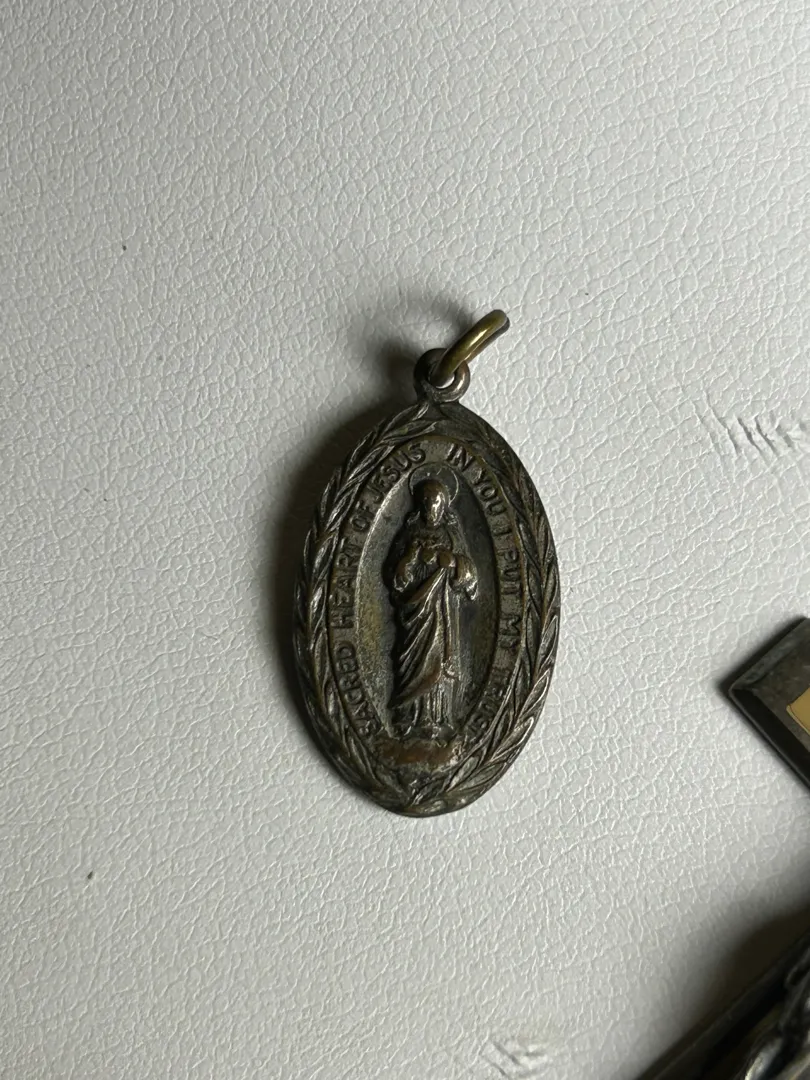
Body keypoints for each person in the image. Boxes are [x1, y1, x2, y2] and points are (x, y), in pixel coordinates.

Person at [386, 477, 477, 741]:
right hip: (415, 612)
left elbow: (470, 573)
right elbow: (393, 574)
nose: (431, 508)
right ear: (420, 505)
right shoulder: (409, 534)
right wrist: (410, 557)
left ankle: (436, 719)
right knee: (412, 661)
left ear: (444, 505)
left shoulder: (452, 535)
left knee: (438, 662)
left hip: (443, 609)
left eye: (436, 503)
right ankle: (408, 717)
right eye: (426, 502)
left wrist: (454, 563)